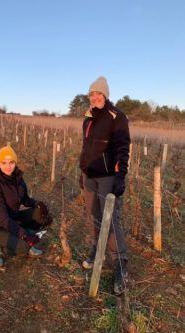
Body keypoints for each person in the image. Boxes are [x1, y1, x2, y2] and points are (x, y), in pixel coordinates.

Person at [79, 76, 131, 295]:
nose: (95, 97)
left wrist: (120, 176)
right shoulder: (88, 118)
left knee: (111, 219)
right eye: (92, 94)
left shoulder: (116, 116)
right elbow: (86, 147)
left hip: (108, 176)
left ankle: (120, 263)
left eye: (98, 93)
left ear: (106, 95)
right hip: (89, 176)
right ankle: (96, 251)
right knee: (93, 215)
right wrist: (80, 170)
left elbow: (122, 147)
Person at [0, 145, 52, 269]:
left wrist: (38, 204)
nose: (8, 166)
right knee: (23, 247)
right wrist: (24, 235)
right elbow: (3, 219)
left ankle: (24, 236)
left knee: (39, 214)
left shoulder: (18, 179)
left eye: (11, 162)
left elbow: (24, 199)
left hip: (12, 219)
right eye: (4, 163)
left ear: (15, 163)